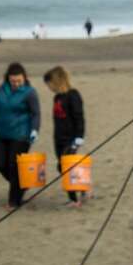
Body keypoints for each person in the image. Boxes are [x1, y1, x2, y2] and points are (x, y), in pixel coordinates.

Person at [0, 62, 41, 209]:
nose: (16, 84)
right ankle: (21, 186)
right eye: (13, 81)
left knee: (14, 166)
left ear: (24, 78)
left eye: (19, 81)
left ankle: (13, 202)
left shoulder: (30, 93)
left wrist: (35, 130)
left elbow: (36, 114)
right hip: (3, 133)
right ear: (7, 79)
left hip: (21, 135)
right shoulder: (2, 89)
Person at [43, 66, 86, 207]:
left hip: (72, 138)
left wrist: (79, 137)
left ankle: (74, 199)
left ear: (56, 81)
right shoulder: (57, 97)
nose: (49, 88)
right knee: (64, 166)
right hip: (59, 138)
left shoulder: (73, 95)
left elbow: (79, 117)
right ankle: (83, 188)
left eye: (49, 84)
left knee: (65, 166)